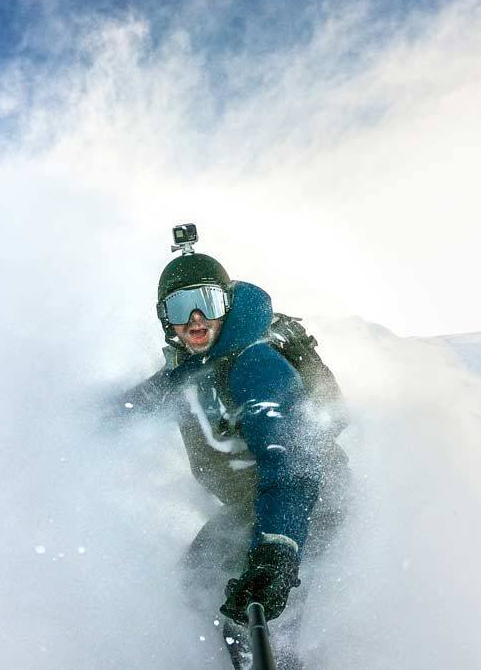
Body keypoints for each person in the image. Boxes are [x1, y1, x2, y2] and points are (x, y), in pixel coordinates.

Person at [121, 233, 350, 667]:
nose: (194, 319)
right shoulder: (191, 368)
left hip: (311, 503)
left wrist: (278, 549)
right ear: (163, 320)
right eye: (178, 307)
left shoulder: (255, 365)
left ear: (225, 304)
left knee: (257, 629)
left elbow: (293, 465)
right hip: (257, 505)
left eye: (206, 302)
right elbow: (136, 403)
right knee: (197, 582)